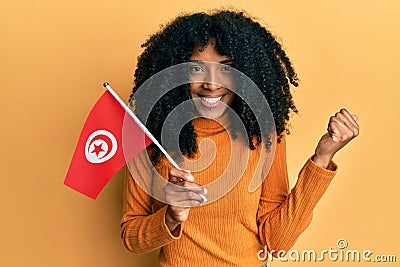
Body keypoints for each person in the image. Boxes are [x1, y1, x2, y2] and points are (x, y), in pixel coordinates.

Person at [120, 9, 359, 267]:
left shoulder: (263, 135)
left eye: (227, 69)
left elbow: (277, 243)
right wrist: (170, 216)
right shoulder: (149, 136)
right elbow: (131, 237)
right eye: (197, 68)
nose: (211, 84)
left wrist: (322, 158)